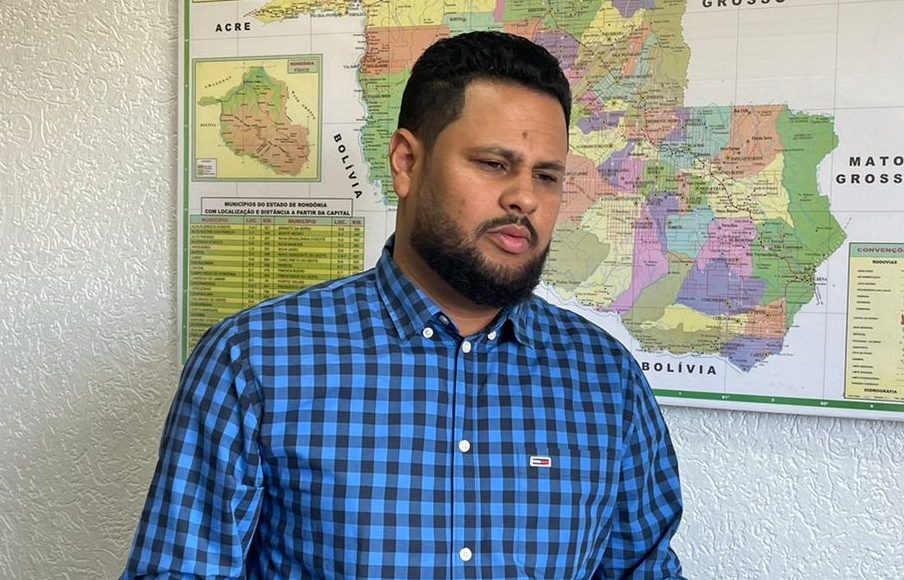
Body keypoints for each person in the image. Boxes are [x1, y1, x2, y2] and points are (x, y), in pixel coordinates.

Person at [123, 31, 684, 578]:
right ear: (407, 162)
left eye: (546, 176)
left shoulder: (607, 380)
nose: (525, 197)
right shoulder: (256, 360)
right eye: (494, 163)